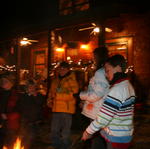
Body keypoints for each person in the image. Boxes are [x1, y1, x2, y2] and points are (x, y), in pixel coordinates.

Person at [82, 54, 136, 149]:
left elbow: (104, 117)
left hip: (116, 137)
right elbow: (117, 114)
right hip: (123, 133)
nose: (106, 75)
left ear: (118, 68)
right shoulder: (127, 85)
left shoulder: (117, 89)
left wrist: (88, 131)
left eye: (107, 71)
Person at [79, 46, 110, 149]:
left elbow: (96, 95)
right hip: (100, 110)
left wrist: (81, 95)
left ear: (98, 57)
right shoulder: (105, 71)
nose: (93, 59)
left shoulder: (100, 72)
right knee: (100, 139)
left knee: (97, 141)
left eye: (94, 56)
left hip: (97, 112)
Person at [47, 61, 79, 149]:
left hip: (66, 109)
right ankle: (56, 145)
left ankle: (65, 146)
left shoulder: (72, 81)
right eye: (60, 68)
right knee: (54, 130)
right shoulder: (55, 81)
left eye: (64, 69)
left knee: (65, 131)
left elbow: (73, 94)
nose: (61, 70)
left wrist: (57, 96)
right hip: (56, 108)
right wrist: (49, 101)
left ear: (68, 70)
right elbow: (51, 92)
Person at [17, 79, 46, 149]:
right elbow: (19, 106)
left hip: (35, 121)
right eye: (29, 87)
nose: (31, 88)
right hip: (25, 120)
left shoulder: (39, 95)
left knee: (32, 138)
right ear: (26, 87)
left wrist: (35, 96)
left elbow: (40, 103)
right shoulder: (23, 96)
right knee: (24, 137)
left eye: (33, 86)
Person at [0, 73, 20, 148]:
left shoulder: (16, 95)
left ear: (11, 83)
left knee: (9, 143)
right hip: (1, 122)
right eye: (2, 81)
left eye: (6, 81)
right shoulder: (1, 93)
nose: (3, 83)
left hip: (11, 124)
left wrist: (8, 116)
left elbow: (19, 110)